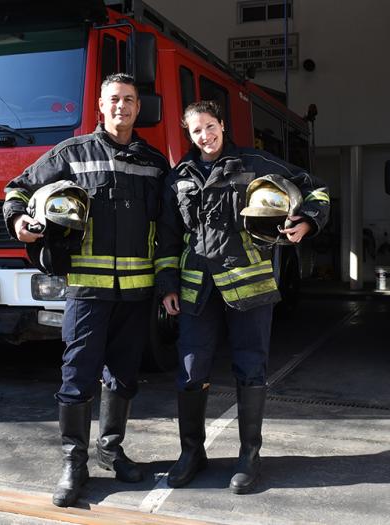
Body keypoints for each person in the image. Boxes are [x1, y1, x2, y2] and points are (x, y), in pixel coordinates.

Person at [2, 73, 169, 508]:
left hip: (137, 293)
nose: (122, 107)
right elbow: (18, 189)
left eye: (129, 100)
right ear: (100, 104)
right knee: (76, 379)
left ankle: (111, 451)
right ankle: (74, 462)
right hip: (88, 293)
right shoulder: (72, 154)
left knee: (124, 377)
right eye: (114, 99)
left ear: (138, 107)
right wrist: (19, 222)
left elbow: (169, 226)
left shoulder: (154, 162)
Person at [153, 100, 330, 494]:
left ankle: (250, 456)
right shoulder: (178, 177)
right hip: (196, 290)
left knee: (251, 369)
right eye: (196, 130)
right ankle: (191, 454)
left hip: (249, 288)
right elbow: (166, 235)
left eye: (210, 126)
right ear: (189, 134)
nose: (205, 136)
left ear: (222, 125)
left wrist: (307, 221)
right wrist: (167, 285)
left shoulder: (255, 162)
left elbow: (315, 189)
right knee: (191, 370)